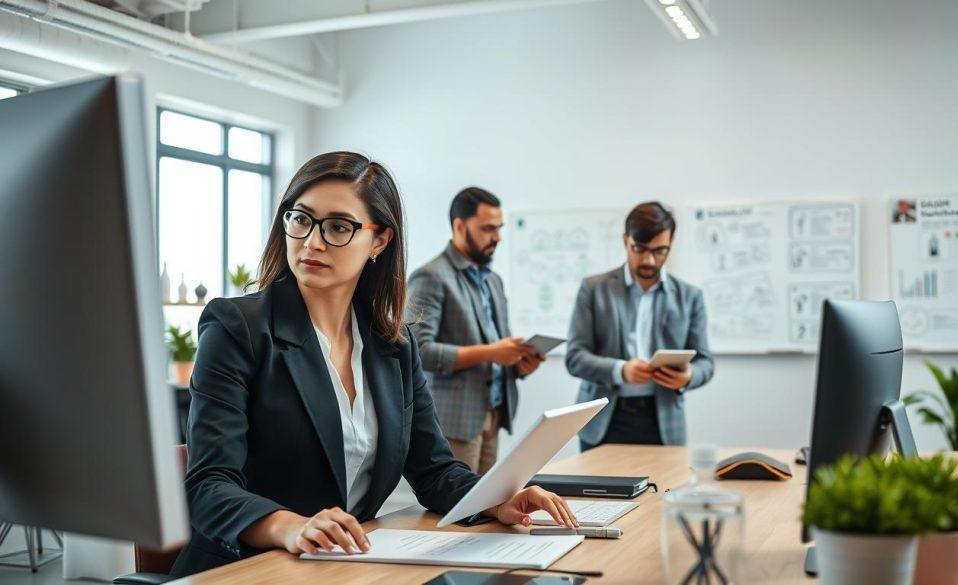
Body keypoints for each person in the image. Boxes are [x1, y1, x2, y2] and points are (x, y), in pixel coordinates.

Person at [171, 154, 575, 577]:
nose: (312, 241)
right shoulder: (237, 327)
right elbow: (208, 487)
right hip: (245, 570)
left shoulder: (393, 345)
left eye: (338, 227)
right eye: (301, 219)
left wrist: (496, 499)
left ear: (379, 241)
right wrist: (291, 527)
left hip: (343, 569)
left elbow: (434, 469)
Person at [406, 187, 545, 474]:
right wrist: (492, 353)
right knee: (459, 511)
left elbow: (497, 347)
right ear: (459, 226)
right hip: (454, 420)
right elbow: (418, 350)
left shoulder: (493, 280)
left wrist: (519, 365)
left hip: (493, 413)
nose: (497, 237)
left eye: (499, 228)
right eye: (488, 229)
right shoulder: (430, 276)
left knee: (486, 507)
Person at [565, 201, 714, 451]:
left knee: (663, 490)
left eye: (659, 251)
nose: (649, 260)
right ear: (626, 240)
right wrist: (621, 371)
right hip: (603, 422)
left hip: (663, 423)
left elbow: (706, 363)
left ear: (671, 243)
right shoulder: (593, 289)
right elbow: (575, 357)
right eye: (639, 249)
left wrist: (688, 377)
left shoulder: (690, 297)